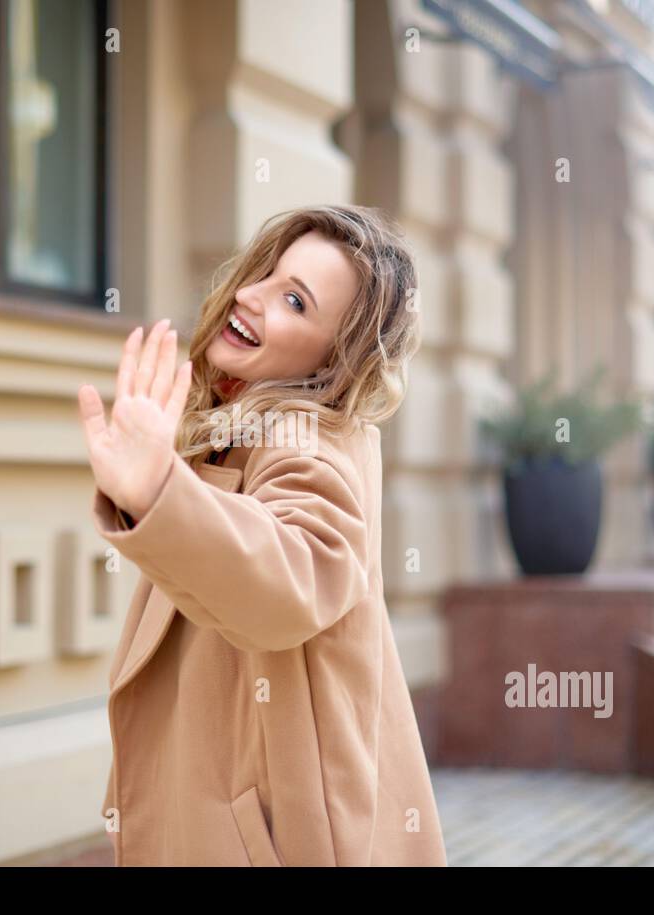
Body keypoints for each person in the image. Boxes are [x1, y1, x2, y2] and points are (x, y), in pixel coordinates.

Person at [76, 204, 447, 866]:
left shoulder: (307, 440)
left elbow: (291, 579)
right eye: (267, 274)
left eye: (296, 301)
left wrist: (158, 491)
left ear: (334, 360)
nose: (250, 298)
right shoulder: (241, 426)